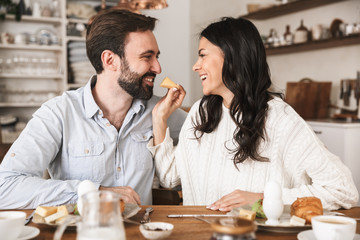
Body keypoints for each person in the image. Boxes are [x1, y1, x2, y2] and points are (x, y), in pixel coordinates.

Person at [148, 17, 359, 211]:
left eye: (203, 55)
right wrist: (159, 118)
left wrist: (263, 198)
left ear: (232, 56)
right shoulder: (201, 112)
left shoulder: (281, 119)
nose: (196, 66)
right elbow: (169, 177)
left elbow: (343, 191)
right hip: (200, 232)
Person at [0, 9, 187, 209]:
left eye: (156, 56)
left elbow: (212, 134)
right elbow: (6, 186)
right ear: (109, 60)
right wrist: (93, 192)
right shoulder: (58, 113)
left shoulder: (161, 111)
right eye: (147, 57)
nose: (158, 68)